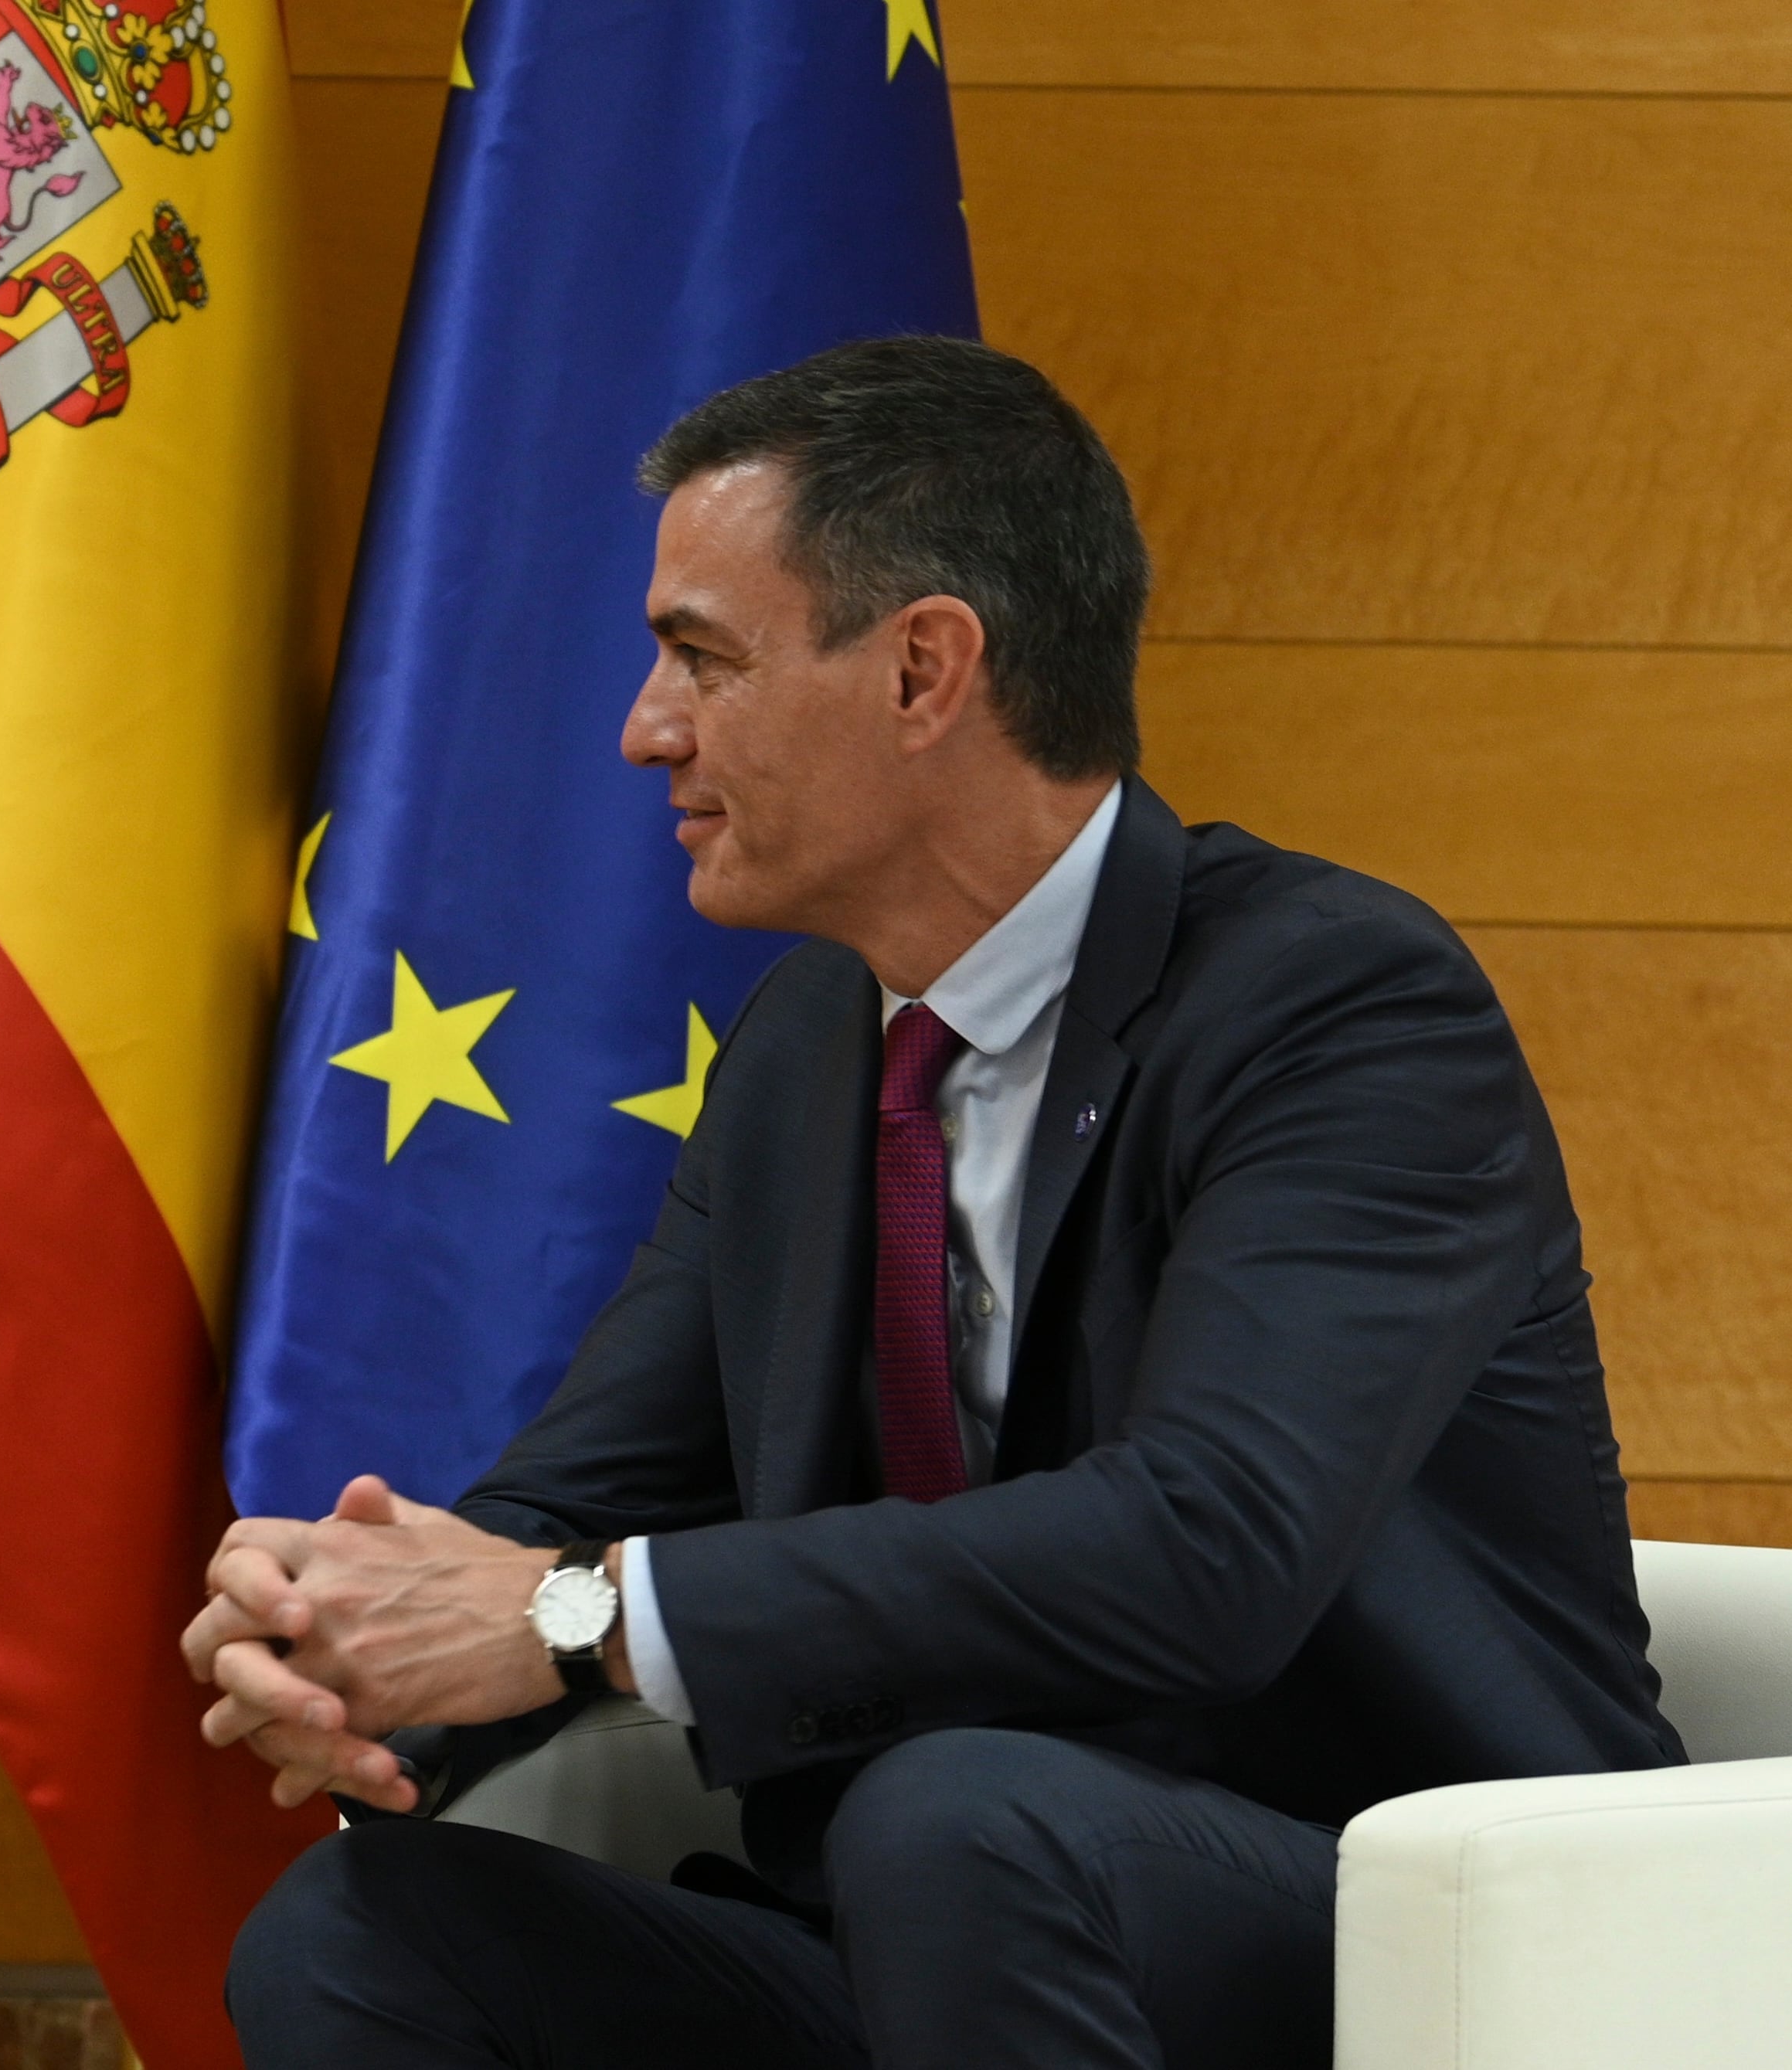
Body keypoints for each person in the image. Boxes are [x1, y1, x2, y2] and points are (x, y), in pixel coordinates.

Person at [191, 338, 1678, 2069]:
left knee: (955, 1820)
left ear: (920, 669)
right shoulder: (809, 1049)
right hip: (930, 1930)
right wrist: (352, 1638)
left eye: (700, 658)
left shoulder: (1335, 1005)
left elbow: (1206, 1547)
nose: (641, 726)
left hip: (1404, 1937)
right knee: (360, 1939)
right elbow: (575, 1499)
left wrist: (560, 1617)